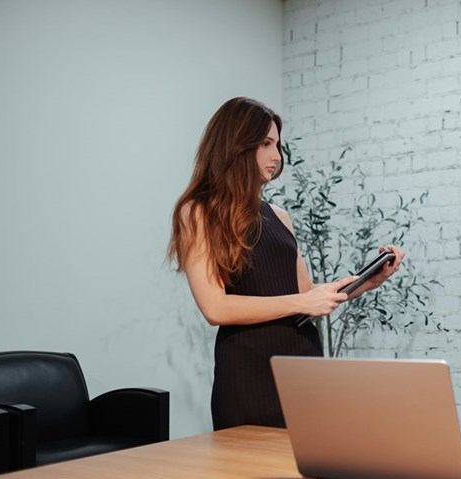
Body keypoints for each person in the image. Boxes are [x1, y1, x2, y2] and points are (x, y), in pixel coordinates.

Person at [167, 97, 404, 430]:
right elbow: (215, 308)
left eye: (278, 145)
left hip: (303, 364)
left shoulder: (279, 217)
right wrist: (302, 301)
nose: (277, 156)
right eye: (265, 144)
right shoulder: (197, 212)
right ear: (236, 145)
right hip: (249, 372)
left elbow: (306, 296)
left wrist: (367, 281)